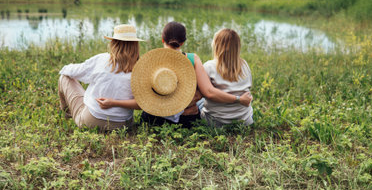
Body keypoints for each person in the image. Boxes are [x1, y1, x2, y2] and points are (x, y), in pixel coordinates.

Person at [97, 22, 252, 127]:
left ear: (162, 39)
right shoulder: (193, 59)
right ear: (183, 42)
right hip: (187, 120)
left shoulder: (151, 60)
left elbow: (141, 95)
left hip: (154, 118)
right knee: (199, 99)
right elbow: (207, 92)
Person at [58, 24, 144, 131]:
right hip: (123, 125)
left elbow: (71, 71)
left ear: (113, 43)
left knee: (64, 77)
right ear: (135, 45)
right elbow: (142, 103)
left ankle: (69, 116)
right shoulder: (140, 69)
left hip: (92, 121)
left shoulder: (102, 59)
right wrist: (115, 102)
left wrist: (66, 67)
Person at [200, 28, 253, 127]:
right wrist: (239, 98)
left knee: (199, 101)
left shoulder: (209, 66)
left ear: (217, 45)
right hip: (244, 121)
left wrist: (238, 99)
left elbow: (209, 93)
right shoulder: (244, 64)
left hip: (216, 121)